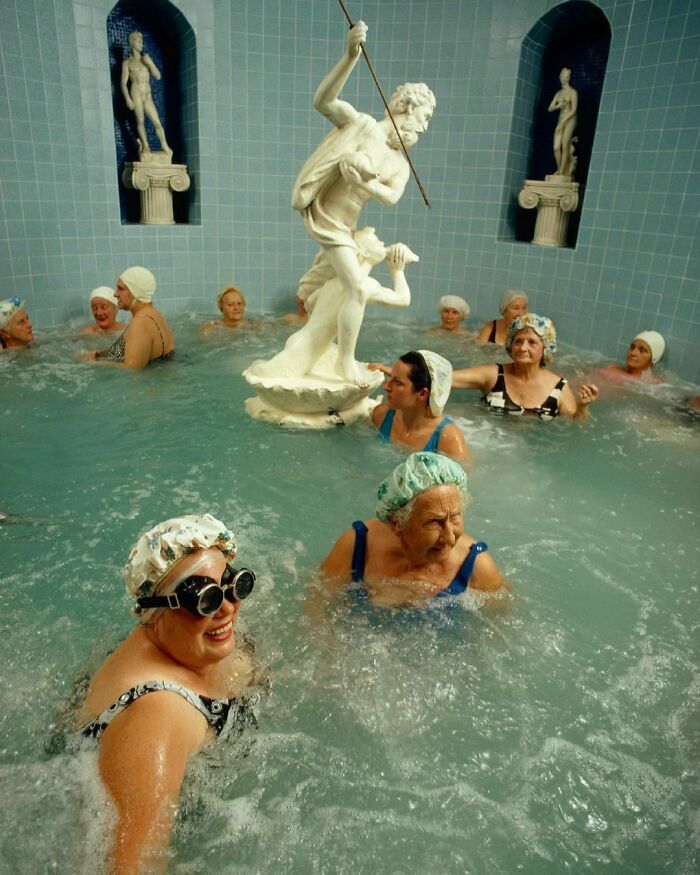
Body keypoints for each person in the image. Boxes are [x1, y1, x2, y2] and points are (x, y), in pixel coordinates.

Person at [74, 514, 260, 873]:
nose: (227, 608)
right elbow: (128, 867)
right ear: (155, 612)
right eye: (202, 600)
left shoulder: (176, 641)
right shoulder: (156, 716)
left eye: (231, 585)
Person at [291, 20, 435, 383]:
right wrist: (350, 56)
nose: (422, 129)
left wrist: (367, 182)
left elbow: (392, 197)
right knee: (356, 287)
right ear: (404, 106)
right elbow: (323, 101)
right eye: (423, 119)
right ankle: (344, 361)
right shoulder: (362, 125)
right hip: (326, 219)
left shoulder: (400, 163)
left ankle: (321, 344)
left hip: (348, 229)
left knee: (322, 291)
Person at [318, 452, 506, 609]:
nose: (449, 537)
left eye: (455, 516)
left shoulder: (476, 567)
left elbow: (499, 627)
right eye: (434, 521)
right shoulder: (356, 546)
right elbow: (316, 604)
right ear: (396, 523)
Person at [250, 227, 417, 381]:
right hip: (303, 352)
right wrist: (397, 271)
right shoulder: (363, 285)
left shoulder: (333, 282)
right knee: (271, 382)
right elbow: (403, 299)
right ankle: (345, 361)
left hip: (301, 342)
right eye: (376, 240)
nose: (382, 243)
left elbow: (310, 303)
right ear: (364, 253)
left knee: (266, 375)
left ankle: (343, 361)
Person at [454, 313, 599, 420]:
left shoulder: (558, 387)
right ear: (510, 345)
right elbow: (449, 377)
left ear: (545, 348)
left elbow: (575, 425)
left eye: (532, 342)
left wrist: (583, 406)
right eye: (518, 341)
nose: (523, 348)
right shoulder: (494, 375)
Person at [369, 350, 470, 462]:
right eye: (390, 377)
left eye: (397, 382)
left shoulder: (448, 439)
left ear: (422, 394)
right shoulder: (380, 416)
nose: (386, 386)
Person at [88, 266, 175, 367]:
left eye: (120, 289)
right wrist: (101, 354)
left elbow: (131, 369)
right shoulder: (153, 313)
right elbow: (134, 348)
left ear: (135, 292)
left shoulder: (140, 322)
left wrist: (92, 363)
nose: (116, 294)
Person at [121, 31, 172, 159]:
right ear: (133, 43)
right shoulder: (127, 63)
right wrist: (128, 98)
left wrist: (150, 63)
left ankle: (164, 145)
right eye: (139, 42)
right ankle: (145, 145)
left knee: (157, 122)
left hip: (147, 94)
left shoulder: (146, 59)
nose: (141, 44)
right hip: (136, 92)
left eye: (141, 41)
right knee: (140, 120)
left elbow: (158, 76)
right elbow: (123, 83)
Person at [600, 331, 666, 383]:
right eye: (632, 347)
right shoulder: (613, 367)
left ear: (653, 359)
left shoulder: (651, 385)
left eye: (642, 350)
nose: (633, 353)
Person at [548, 67, 578, 177]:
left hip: (570, 119)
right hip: (561, 118)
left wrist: (564, 121)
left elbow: (574, 110)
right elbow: (550, 108)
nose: (563, 79)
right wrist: (558, 105)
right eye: (562, 77)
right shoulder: (559, 94)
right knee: (556, 147)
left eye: (565, 77)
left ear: (569, 78)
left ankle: (562, 172)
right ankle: (561, 168)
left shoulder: (573, 92)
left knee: (565, 144)